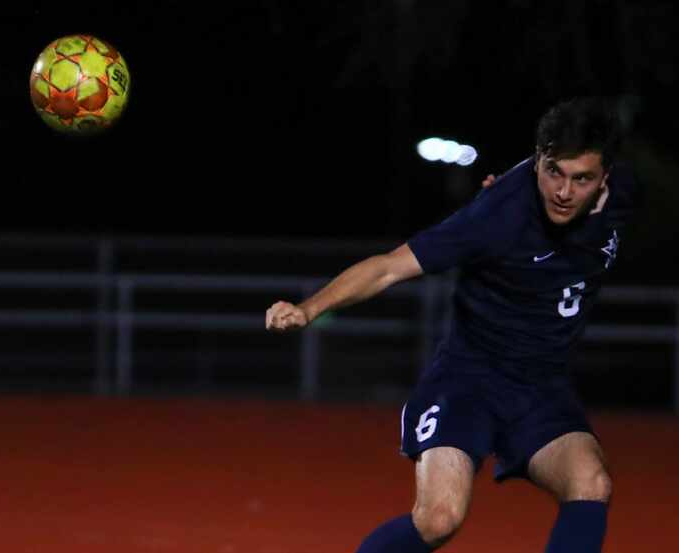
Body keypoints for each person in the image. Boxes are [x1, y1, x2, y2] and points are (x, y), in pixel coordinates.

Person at [265, 97, 638, 552]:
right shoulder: (496, 215)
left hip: (542, 388)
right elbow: (388, 267)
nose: (563, 191)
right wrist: (309, 309)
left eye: (581, 179)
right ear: (538, 158)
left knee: (591, 483)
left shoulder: (623, 197)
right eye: (553, 172)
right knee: (440, 517)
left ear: (606, 177)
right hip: (466, 382)